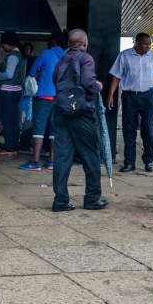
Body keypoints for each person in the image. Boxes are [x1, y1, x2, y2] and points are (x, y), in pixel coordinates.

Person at [52, 29, 108, 212]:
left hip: (61, 111)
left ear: (69, 43)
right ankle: (92, 198)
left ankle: (60, 201)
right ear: (84, 42)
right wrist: (97, 86)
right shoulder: (86, 58)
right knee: (91, 155)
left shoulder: (61, 60)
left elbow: (55, 80)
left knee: (62, 156)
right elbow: (87, 82)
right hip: (81, 113)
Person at [107, 33, 153, 173]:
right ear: (137, 43)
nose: (148, 46)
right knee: (129, 130)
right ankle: (129, 162)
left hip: (148, 96)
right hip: (130, 97)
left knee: (148, 131)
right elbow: (116, 77)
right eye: (145, 44)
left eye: (149, 44)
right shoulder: (124, 55)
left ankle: (149, 160)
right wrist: (111, 95)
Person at [19, 32, 65, 171]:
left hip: (44, 95)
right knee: (54, 129)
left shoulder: (46, 54)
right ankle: (51, 161)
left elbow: (32, 72)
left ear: (52, 41)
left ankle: (35, 161)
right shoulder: (65, 55)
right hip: (59, 97)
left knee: (39, 128)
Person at [0, 31, 25, 156]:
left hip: (7, 91)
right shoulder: (19, 54)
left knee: (7, 120)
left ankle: (9, 148)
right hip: (16, 91)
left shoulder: (12, 56)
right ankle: (12, 146)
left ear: (9, 44)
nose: (2, 47)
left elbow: (8, 74)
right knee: (13, 120)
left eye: (3, 44)